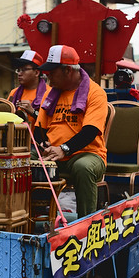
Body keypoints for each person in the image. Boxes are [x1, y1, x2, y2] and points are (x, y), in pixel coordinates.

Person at [34, 45, 108, 218]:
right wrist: (43, 145)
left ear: (67, 70)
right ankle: (34, 217)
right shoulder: (51, 93)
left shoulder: (96, 93)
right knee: (21, 161)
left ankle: (86, 223)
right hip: (54, 152)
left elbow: (90, 131)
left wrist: (63, 149)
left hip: (88, 153)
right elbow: (39, 128)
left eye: (52, 71)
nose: (47, 75)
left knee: (83, 168)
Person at [7, 50, 49, 129]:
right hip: (17, 139)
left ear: (36, 73)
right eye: (18, 70)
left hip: (38, 140)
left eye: (24, 70)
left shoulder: (49, 93)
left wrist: (33, 112)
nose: (19, 73)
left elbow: (51, 122)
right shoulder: (14, 92)